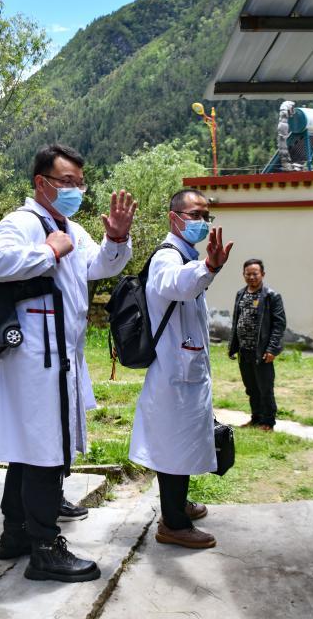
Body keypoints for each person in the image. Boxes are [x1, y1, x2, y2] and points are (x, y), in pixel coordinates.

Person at [0, 143, 135, 582]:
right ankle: (46, 548)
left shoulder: (70, 226)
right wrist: (48, 252)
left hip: (58, 359)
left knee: (29, 450)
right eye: (67, 182)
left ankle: (15, 534)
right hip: (35, 360)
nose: (75, 191)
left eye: (79, 183)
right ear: (41, 183)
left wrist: (117, 239)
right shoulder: (23, 222)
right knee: (45, 452)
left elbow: (98, 266)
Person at [130, 188, 233, 549]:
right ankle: (173, 523)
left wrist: (205, 268)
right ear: (174, 218)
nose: (202, 222)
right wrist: (208, 267)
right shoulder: (166, 257)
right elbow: (176, 284)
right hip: (174, 374)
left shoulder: (184, 254)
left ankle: (178, 504)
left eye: (206, 216)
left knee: (184, 442)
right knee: (174, 446)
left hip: (185, 369)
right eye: (195, 215)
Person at [227, 259, 286, 430]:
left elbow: (279, 324)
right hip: (244, 350)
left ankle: (268, 421)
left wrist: (272, 349)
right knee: (251, 387)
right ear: (243, 275)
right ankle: (256, 418)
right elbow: (236, 321)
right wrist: (233, 346)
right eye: (248, 274)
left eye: (255, 274)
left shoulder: (271, 296)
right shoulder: (240, 294)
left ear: (262, 274)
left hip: (262, 351)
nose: (251, 277)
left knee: (265, 387)